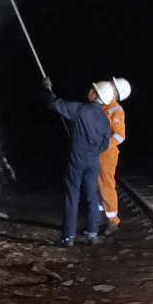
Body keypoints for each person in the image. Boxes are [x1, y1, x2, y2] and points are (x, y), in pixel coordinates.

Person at [41, 77, 112, 247]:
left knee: (72, 194)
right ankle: (92, 235)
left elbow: (54, 103)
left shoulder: (79, 109)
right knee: (92, 196)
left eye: (91, 89)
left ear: (95, 94)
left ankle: (68, 237)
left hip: (76, 159)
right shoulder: (104, 119)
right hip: (93, 161)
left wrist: (48, 88)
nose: (89, 91)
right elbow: (105, 144)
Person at [94, 77, 132, 236]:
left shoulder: (115, 109)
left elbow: (120, 136)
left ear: (116, 92)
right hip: (95, 153)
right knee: (95, 186)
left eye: (112, 85)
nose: (108, 85)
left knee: (106, 185)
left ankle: (112, 220)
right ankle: (101, 219)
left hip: (106, 155)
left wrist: (103, 147)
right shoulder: (101, 105)